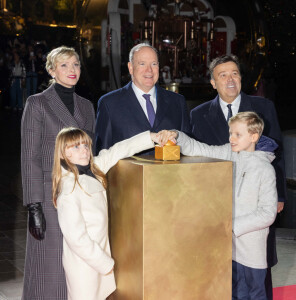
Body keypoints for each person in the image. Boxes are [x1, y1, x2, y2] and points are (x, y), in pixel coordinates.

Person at [190, 55, 286, 299]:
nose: (230, 79)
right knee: (224, 271)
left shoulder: (264, 107)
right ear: (213, 82)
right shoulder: (198, 114)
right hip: (217, 205)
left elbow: (278, 153)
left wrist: (280, 196)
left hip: (256, 201)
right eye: (223, 75)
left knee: (257, 271)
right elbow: (198, 158)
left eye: (235, 73)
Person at [157, 111, 278, 300]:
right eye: (230, 133)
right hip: (228, 248)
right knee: (235, 294)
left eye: (238, 134)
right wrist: (177, 135)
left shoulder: (265, 169)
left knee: (256, 295)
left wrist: (232, 225)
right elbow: (200, 149)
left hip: (252, 251)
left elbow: (268, 213)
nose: (231, 138)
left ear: (254, 137)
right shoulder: (228, 153)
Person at [21, 46, 95, 299]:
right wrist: (34, 206)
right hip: (49, 194)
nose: (72, 70)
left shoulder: (86, 106)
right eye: (63, 65)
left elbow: (91, 154)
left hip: (80, 193)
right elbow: (29, 156)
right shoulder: (37, 103)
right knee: (47, 266)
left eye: (75, 64)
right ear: (52, 70)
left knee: (75, 262)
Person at [52, 127, 158, 300]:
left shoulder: (93, 169)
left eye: (85, 145)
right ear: (63, 154)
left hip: (99, 257)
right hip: (85, 263)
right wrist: (104, 263)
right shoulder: (68, 190)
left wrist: (150, 137)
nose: (84, 150)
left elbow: (118, 150)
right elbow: (76, 238)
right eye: (76, 147)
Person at [95, 43, 191, 154]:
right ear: (130, 68)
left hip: (172, 170)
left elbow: (189, 145)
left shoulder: (177, 102)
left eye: (154, 64)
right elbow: (102, 153)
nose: (149, 70)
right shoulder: (109, 104)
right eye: (142, 64)